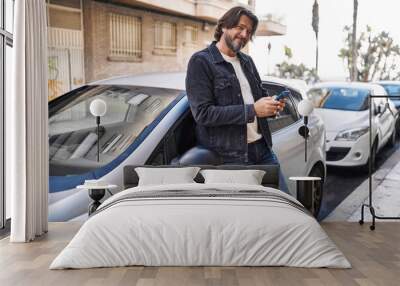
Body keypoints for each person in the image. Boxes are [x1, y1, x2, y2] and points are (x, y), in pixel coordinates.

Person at [185, 6, 288, 192]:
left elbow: (259, 97)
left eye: (249, 31)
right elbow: (203, 114)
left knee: (284, 204)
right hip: (229, 157)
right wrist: (253, 110)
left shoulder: (247, 61)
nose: (244, 34)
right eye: (240, 27)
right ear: (224, 26)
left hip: (263, 150)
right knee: (246, 215)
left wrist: (271, 105)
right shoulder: (201, 62)